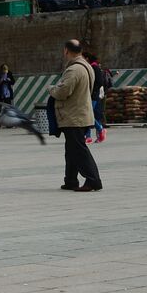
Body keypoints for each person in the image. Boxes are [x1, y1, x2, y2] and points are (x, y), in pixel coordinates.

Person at [48, 39, 103, 192]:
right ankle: (71, 180)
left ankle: (93, 180)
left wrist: (51, 89)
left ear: (66, 50)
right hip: (81, 113)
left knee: (78, 149)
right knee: (71, 148)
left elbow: (63, 92)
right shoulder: (87, 66)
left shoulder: (74, 70)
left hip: (73, 116)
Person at [85, 52, 108, 143]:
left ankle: (99, 129)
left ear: (87, 58)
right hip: (92, 94)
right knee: (88, 115)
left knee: (88, 115)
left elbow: (99, 82)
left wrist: (92, 90)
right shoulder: (93, 67)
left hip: (93, 95)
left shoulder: (94, 67)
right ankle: (89, 136)